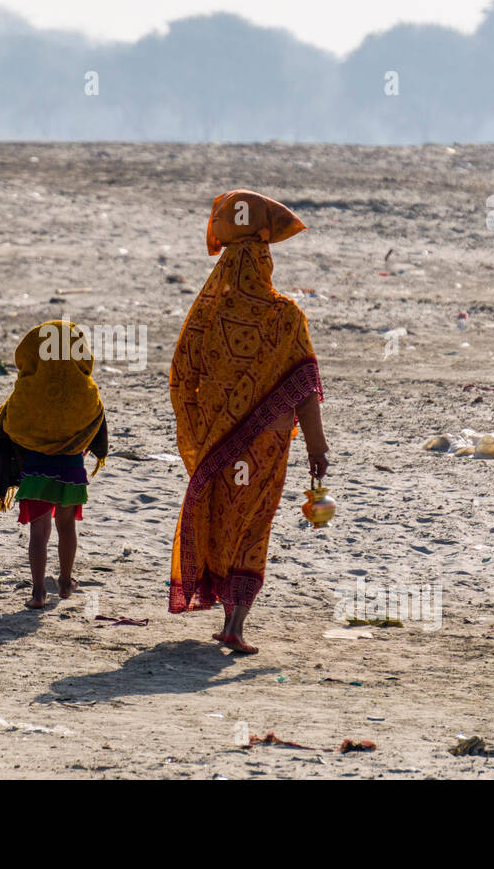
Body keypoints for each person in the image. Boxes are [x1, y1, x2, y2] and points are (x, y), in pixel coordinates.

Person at [168, 190, 329, 653]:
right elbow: (304, 391)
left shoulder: (207, 313)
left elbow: (183, 377)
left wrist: (201, 428)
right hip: (268, 443)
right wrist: (316, 448)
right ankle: (235, 621)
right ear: (264, 263)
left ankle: (228, 616)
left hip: (218, 440)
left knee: (221, 519)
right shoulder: (286, 317)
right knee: (253, 524)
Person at [0, 319, 109, 609]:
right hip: (71, 471)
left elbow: (11, 428)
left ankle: (37, 592)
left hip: (35, 470)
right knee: (66, 527)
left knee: (38, 533)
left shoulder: (24, 395)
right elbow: (95, 424)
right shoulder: (86, 392)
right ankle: (65, 580)